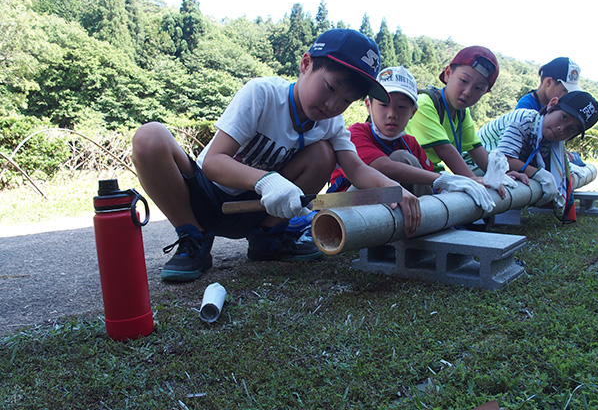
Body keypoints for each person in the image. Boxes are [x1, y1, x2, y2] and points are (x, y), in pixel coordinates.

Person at [131, 28, 422, 282]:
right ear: (306, 64)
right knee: (149, 137)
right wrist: (266, 180)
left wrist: (392, 191)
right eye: (330, 87)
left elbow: (356, 169)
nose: (333, 104)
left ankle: (268, 239)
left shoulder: (331, 123)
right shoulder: (262, 94)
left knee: (323, 153)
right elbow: (212, 162)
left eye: (347, 100)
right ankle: (192, 237)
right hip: (206, 197)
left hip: (260, 211)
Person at [329, 65, 496, 211]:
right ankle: (427, 225)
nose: (392, 114)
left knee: (405, 160)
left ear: (412, 112)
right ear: (368, 106)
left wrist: (454, 186)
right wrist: (449, 179)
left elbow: (427, 184)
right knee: (401, 158)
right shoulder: (356, 133)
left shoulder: (410, 143)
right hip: (344, 202)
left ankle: (427, 222)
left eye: (401, 107)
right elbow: (384, 166)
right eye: (383, 105)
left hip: (389, 201)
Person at [478, 90, 598, 222]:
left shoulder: (550, 140)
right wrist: (539, 174)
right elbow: (505, 158)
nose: (561, 129)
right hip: (474, 165)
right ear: (552, 104)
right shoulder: (522, 119)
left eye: (571, 130)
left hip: (497, 170)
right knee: (529, 177)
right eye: (564, 117)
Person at [404, 46, 500, 179]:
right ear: (448, 73)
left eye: (478, 88)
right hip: (407, 172)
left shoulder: (462, 113)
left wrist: (502, 175)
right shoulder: (424, 103)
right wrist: (473, 180)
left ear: (485, 92)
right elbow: (445, 150)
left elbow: (476, 150)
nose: (467, 92)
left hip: (429, 171)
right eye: (464, 81)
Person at [515, 57, 581, 111]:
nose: (566, 95)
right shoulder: (525, 107)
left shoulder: (557, 106)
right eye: (564, 90)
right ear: (548, 82)